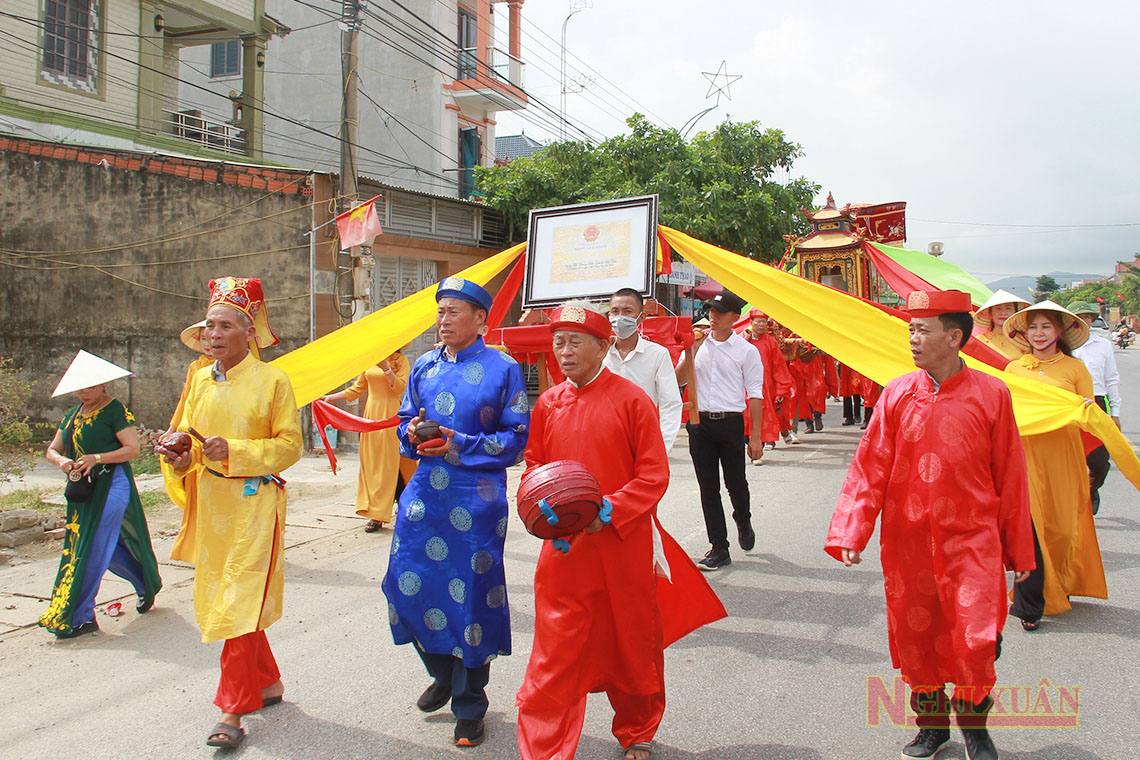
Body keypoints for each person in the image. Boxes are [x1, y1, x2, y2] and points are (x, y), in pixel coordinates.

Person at [826, 290, 1035, 760]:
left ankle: (976, 731)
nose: (914, 340)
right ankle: (932, 728)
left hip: (973, 539)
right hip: (909, 541)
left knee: (976, 637)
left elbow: (1011, 474)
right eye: (911, 330)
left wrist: (1019, 550)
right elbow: (870, 466)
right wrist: (849, 531)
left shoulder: (991, 393)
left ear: (954, 336)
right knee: (917, 640)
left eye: (923, 330)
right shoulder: (898, 392)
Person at [516, 304, 725, 760]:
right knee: (556, 646)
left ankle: (637, 731)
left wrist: (607, 510)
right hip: (566, 546)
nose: (564, 352)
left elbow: (653, 477)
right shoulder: (549, 404)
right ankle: (544, 748)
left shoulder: (633, 401)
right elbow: (535, 465)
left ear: (603, 346)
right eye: (558, 342)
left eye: (575, 342)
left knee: (632, 640)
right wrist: (547, 509)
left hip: (622, 542)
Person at [382, 277, 529, 748]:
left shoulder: (503, 368)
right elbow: (405, 419)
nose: (443, 321)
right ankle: (442, 670)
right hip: (425, 494)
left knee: (472, 599)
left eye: (453, 312)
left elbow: (516, 440)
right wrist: (415, 435)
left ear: (481, 318)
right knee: (405, 585)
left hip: (477, 498)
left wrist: (459, 442)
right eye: (440, 312)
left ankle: (469, 704)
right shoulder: (423, 365)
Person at [162, 276, 303, 749]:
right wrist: (180, 454)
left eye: (224, 326)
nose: (213, 335)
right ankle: (268, 682)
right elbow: (186, 434)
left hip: (253, 504)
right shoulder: (199, 379)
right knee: (227, 600)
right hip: (211, 505)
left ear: (249, 332)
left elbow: (289, 445)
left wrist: (235, 450)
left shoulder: (273, 381)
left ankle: (232, 711)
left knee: (238, 603)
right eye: (208, 328)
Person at [40, 351, 162, 639]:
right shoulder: (71, 415)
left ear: (104, 385)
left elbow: (132, 450)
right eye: (80, 388)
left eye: (90, 387)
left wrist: (96, 457)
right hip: (83, 491)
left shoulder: (115, 410)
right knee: (94, 546)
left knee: (93, 545)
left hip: (112, 485)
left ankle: (81, 616)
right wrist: (62, 462)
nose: (84, 392)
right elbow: (52, 450)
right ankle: (145, 582)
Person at [1003, 301, 1107, 631]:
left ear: (1059, 332)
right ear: (1024, 333)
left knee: (1062, 528)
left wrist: (1087, 409)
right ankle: (1029, 605)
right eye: (1033, 327)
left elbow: (1091, 421)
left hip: (1065, 457)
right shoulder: (1013, 370)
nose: (1039, 333)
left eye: (1046, 326)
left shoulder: (1075, 370)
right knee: (1030, 526)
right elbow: (1005, 415)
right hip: (1025, 457)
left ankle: (1059, 584)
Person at [676, 289, 764, 571]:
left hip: (730, 422)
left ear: (734, 318)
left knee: (735, 482)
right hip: (699, 422)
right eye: (710, 311)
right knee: (708, 487)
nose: (712, 317)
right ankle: (719, 547)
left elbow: (756, 395)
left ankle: (743, 518)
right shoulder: (697, 344)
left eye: (719, 313)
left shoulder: (747, 351)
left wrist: (757, 438)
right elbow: (677, 379)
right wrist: (690, 349)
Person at [321, 351, 418, 531]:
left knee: (390, 464)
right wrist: (330, 398)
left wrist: (386, 369)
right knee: (374, 463)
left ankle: (394, 508)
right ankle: (377, 512)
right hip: (372, 416)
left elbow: (399, 388)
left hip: (391, 417)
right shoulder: (370, 358)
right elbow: (356, 389)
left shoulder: (401, 360)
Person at [604, 288, 683, 452]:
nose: (620, 318)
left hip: (641, 441)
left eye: (627, 311)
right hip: (603, 440)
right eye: (615, 311)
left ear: (641, 317)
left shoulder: (657, 355)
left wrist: (661, 447)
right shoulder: (599, 354)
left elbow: (671, 404)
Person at [162, 319, 212, 563]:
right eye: (204, 338)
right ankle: (197, 547)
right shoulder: (196, 367)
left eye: (212, 335)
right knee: (196, 491)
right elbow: (185, 399)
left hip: (219, 434)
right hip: (194, 433)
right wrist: (172, 429)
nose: (209, 342)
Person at [1068, 300, 1123, 514]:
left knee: (1099, 459)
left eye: (1088, 317)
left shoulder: (1103, 345)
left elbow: (1111, 379)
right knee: (1070, 458)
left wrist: (1115, 412)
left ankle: (1092, 487)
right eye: (1079, 317)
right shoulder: (1061, 344)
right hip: (1068, 404)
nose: (1084, 320)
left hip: (1096, 403)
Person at [741, 309, 794, 454]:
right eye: (757, 321)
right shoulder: (743, 340)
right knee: (745, 414)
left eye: (763, 322)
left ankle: (761, 445)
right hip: (745, 384)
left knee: (764, 414)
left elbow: (778, 365)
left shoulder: (771, 342)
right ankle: (748, 443)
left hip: (766, 384)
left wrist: (781, 387)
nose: (761, 325)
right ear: (751, 323)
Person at [972, 290, 1029, 361]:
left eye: (1008, 308)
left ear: (1015, 312)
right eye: (998, 308)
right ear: (990, 314)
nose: (1003, 313)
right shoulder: (980, 340)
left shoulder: (1025, 340)